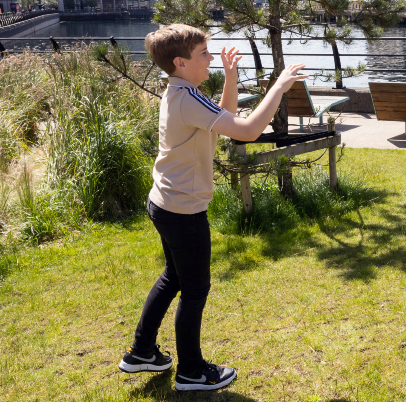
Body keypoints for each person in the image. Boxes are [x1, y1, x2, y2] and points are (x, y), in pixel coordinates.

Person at [120, 24, 308, 392]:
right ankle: (191, 371)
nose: (211, 58)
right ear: (180, 61)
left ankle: (142, 351)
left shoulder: (181, 92)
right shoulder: (187, 98)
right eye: (203, 54)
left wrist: (232, 77)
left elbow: (223, 120)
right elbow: (250, 129)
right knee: (194, 290)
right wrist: (279, 86)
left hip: (165, 202)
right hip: (182, 211)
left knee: (173, 278)